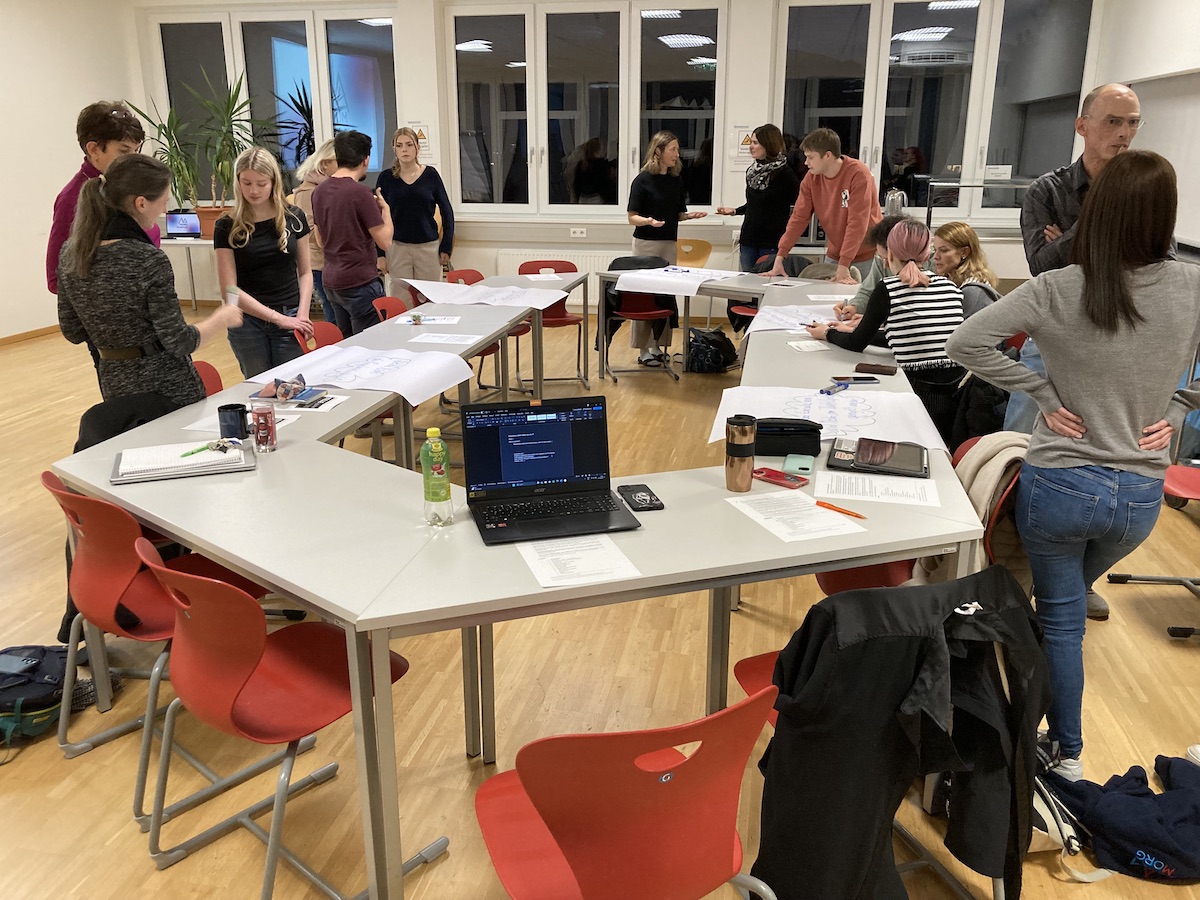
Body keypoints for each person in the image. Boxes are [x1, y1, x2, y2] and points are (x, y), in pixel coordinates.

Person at [947, 150, 1200, 781]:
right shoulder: (1192, 287)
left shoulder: (1057, 288)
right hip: (1139, 500)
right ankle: (1032, 718)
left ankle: (1068, 754)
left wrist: (1040, 393)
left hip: (1060, 487)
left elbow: (965, 342)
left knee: (1058, 620)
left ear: (1099, 211)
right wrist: (1178, 405)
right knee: (1055, 614)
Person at [1009, 82, 1143, 621]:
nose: (1125, 133)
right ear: (1082, 126)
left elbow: (1148, 265)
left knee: (1105, 468)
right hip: (1053, 338)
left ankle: (1073, 580)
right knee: (1021, 449)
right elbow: (1042, 268)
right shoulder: (1047, 190)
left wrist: (1067, 236)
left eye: (1133, 122)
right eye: (1114, 121)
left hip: (1119, 344)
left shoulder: (1143, 187)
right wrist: (1098, 221)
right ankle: (1009, 572)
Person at [56, 154, 242, 408]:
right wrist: (221, 318)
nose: (164, 210)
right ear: (141, 203)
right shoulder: (148, 259)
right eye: (163, 202)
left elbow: (73, 331)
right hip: (167, 386)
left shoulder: (71, 253)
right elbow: (179, 341)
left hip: (113, 383)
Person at [805, 219, 964, 444]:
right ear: (927, 255)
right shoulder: (951, 287)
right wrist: (849, 330)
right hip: (954, 393)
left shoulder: (888, 288)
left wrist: (827, 334)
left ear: (889, 255)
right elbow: (909, 336)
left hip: (916, 392)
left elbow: (856, 344)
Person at [214, 147, 313, 379]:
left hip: (291, 312)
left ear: (273, 182)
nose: (254, 191)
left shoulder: (294, 217)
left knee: (292, 386)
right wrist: (278, 319)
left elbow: (306, 272)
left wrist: (302, 314)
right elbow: (229, 290)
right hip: (248, 322)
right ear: (238, 182)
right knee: (260, 387)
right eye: (246, 183)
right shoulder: (226, 226)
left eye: (261, 183)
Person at [47, 101, 157, 295]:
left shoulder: (131, 186)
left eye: (136, 150)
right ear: (94, 149)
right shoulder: (70, 199)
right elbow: (56, 278)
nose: (132, 159)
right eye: (124, 151)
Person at [625, 130, 707, 365]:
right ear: (658, 151)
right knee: (645, 296)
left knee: (665, 296)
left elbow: (678, 214)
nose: (677, 154)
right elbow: (632, 217)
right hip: (646, 245)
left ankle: (658, 346)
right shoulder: (642, 180)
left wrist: (690, 216)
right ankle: (643, 350)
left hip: (669, 244)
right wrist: (648, 221)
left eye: (677, 149)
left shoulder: (675, 180)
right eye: (672, 149)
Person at [768, 127, 881, 285]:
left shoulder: (858, 174)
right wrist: (781, 256)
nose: (806, 162)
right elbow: (799, 218)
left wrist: (844, 264)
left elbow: (857, 222)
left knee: (860, 298)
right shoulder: (811, 179)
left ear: (828, 155)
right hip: (835, 254)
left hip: (866, 255)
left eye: (810, 157)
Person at [312, 130, 393, 336]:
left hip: (331, 281)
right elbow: (385, 242)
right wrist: (386, 211)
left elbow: (320, 241)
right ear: (365, 160)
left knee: (347, 344)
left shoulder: (319, 191)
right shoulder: (360, 193)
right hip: (359, 282)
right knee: (370, 345)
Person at [717, 124, 802, 273]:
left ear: (768, 144)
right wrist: (735, 211)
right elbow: (755, 204)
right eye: (750, 142)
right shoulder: (752, 172)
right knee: (746, 282)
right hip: (749, 238)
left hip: (771, 241)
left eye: (755, 143)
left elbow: (798, 204)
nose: (750, 146)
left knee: (766, 282)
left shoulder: (785, 174)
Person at [376, 127, 454, 285]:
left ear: (417, 147)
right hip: (396, 247)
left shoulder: (430, 175)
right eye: (399, 145)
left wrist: (446, 246)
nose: (404, 149)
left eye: (409, 144)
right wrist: (380, 254)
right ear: (394, 149)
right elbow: (377, 217)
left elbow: (447, 212)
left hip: (428, 247)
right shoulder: (386, 178)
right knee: (400, 294)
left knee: (430, 295)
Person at [291, 139, 338, 324]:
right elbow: (308, 232)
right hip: (321, 263)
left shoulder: (331, 187)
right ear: (325, 163)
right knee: (333, 313)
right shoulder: (307, 192)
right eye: (339, 162)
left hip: (335, 261)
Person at [932, 221, 1001, 317]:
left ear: (964, 252)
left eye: (944, 250)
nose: (936, 256)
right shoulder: (947, 281)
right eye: (935, 250)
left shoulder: (974, 291)